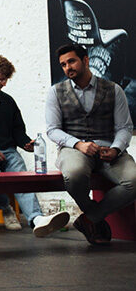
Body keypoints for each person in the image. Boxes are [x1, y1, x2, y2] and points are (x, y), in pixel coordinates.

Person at [0, 55, 70, 236]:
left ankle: (36, 219)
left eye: (6, 79)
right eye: (0, 79)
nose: (4, 83)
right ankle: (6, 209)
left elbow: (17, 130)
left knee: (23, 179)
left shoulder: (8, 101)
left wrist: (25, 143)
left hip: (8, 150)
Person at [45, 43, 135, 245]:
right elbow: (52, 129)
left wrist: (116, 149)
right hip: (73, 148)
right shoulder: (56, 92)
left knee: (134, 181)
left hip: (108, 148)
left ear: (85, 60)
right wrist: (78, 144)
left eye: (72, 61)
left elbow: (124, 127)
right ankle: (94, 216)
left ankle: (89, 218)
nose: (67, 67)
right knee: (74, 174)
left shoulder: (114, 90)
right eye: (63, 64)